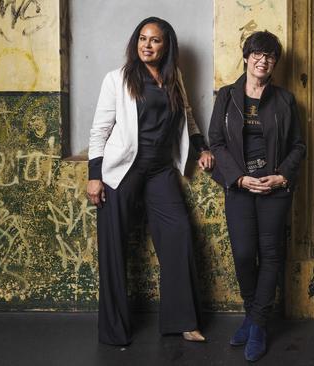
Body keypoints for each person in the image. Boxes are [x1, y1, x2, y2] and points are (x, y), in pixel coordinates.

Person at [87, 17, 214, 345]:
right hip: (121, 171)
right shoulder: (117, 79)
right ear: (135, 42)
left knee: (179, 235)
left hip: (160, 171)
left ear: (166, 45)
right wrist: (94, 177)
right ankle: (114, 330)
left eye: (155, 40)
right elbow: (100, 129)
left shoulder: (174, 79)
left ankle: (183, 321)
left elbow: (187, 117)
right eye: (142, 38)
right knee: (113, 248)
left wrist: (201, 149)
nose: (147, 44)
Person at [209, 31, 306, 361]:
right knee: (243, 252)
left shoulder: (285, 100)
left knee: (270, 253)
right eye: (258, 54)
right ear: (247, 56)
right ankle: (252, 316)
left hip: (274, 188)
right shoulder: (226, 96)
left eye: (271, 56)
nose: (264, 60)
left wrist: (281, 176)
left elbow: (298, 146)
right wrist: (238, 178)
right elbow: (216, 142)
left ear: (275, 62)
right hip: (239, 186)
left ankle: (259, 324)